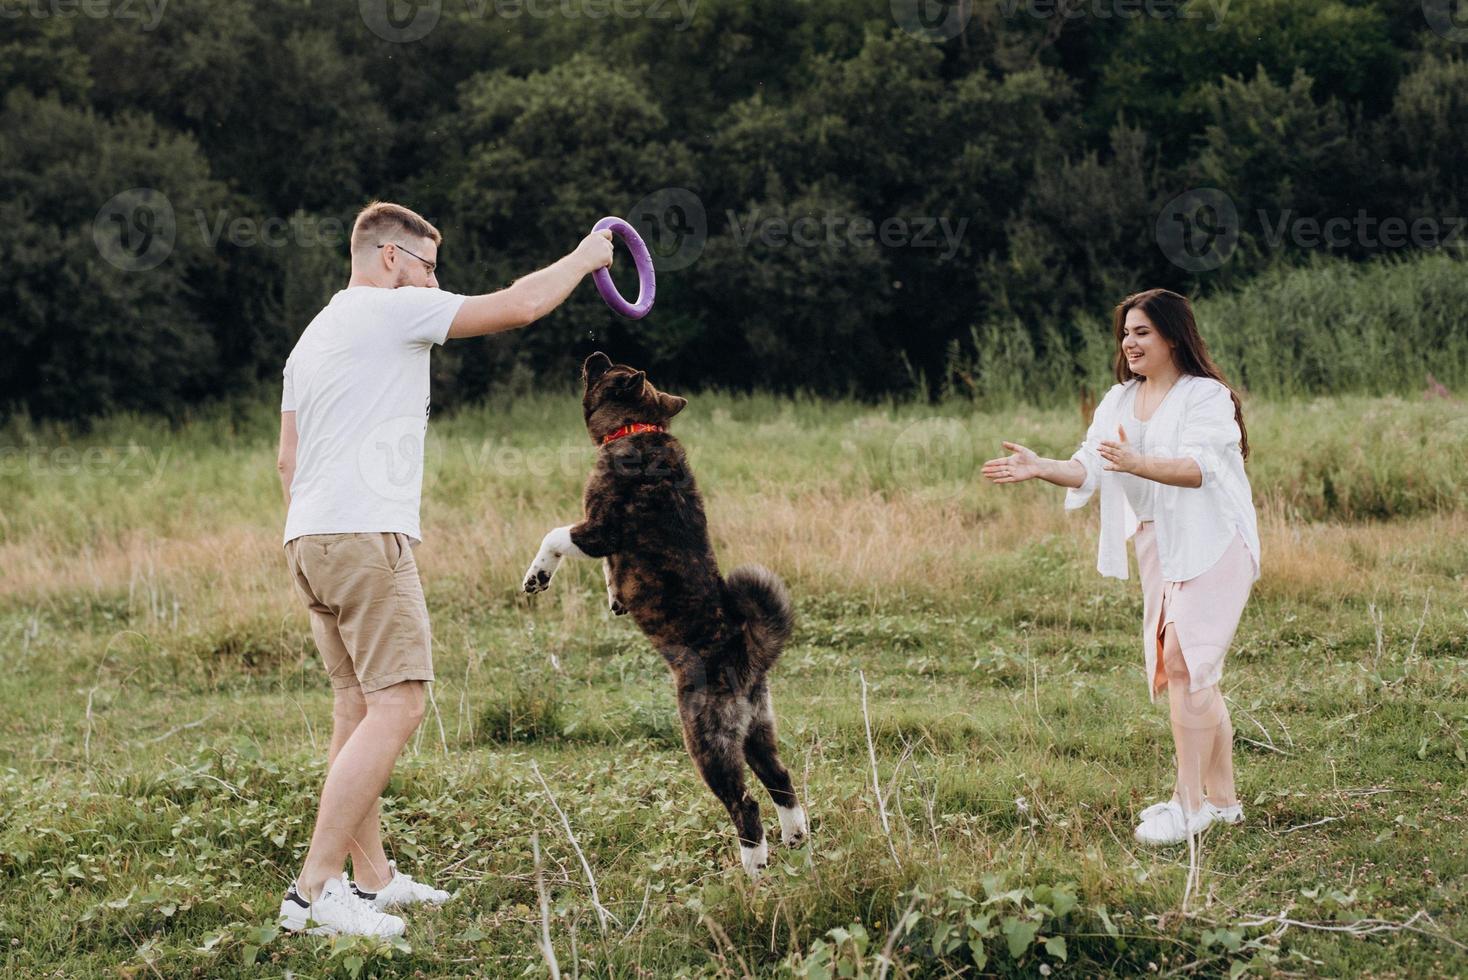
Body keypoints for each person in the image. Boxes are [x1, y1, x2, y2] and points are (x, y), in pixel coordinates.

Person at [275, 201, 613, 936]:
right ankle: (314, 891)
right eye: (430, 268)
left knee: (357, 709)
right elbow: (521, 306)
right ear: (391, 259)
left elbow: (286, 461)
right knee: (399, 705)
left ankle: (373, 880)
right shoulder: (387, 311)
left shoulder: (314, 336)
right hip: (365, 537)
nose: (437, 284)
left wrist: (319, 532)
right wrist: (587, 258)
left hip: (309, 537)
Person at [981, 288, 1260, 846]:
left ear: (1173, 337)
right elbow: (1090, 466)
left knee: (1183, 661)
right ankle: (1225, 804)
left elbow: (1200, 468)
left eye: (1142, 333)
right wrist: (1041, 468)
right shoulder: (1118, 400)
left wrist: (1140, 461)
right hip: (1160, 540)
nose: (1130, 343)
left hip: (1215, 537)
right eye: (1126, 333)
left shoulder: (1207, 396)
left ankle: (1189, 805)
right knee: (1193, 668)